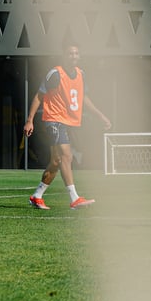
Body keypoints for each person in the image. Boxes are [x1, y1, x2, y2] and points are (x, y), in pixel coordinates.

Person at [23, 41, 112, 210]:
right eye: (70, 53)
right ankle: (74, 198)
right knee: (67, 156)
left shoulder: (81, 74)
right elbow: (39, 96)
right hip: (54, 120)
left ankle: (37, 196)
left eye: (76, 53)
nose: (74, 56)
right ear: (64, 55)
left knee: (56, 161)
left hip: (67, 121)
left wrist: (100, 116)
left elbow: (83, 98)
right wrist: (29, 120)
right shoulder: (55, 74)